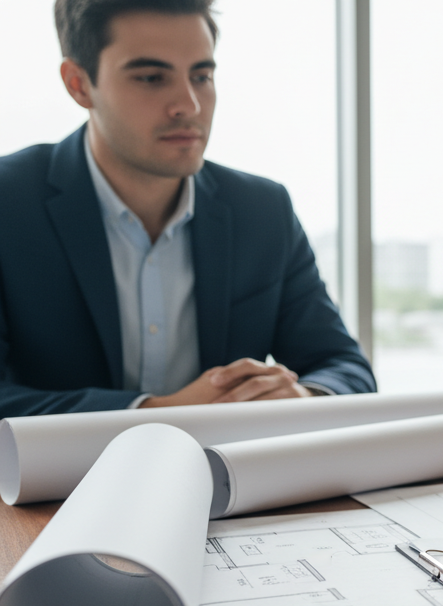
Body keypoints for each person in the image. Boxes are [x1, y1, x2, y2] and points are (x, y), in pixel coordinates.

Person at [0, 0, 374, 418]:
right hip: (58, 484)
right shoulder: (8, 202)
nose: (189, 105)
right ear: (79, 83)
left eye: (201, 75)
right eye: (151, 77)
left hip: (230, 480)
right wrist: (157, 412)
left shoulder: (263, 210)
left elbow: (346, 368)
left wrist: (303, 399)